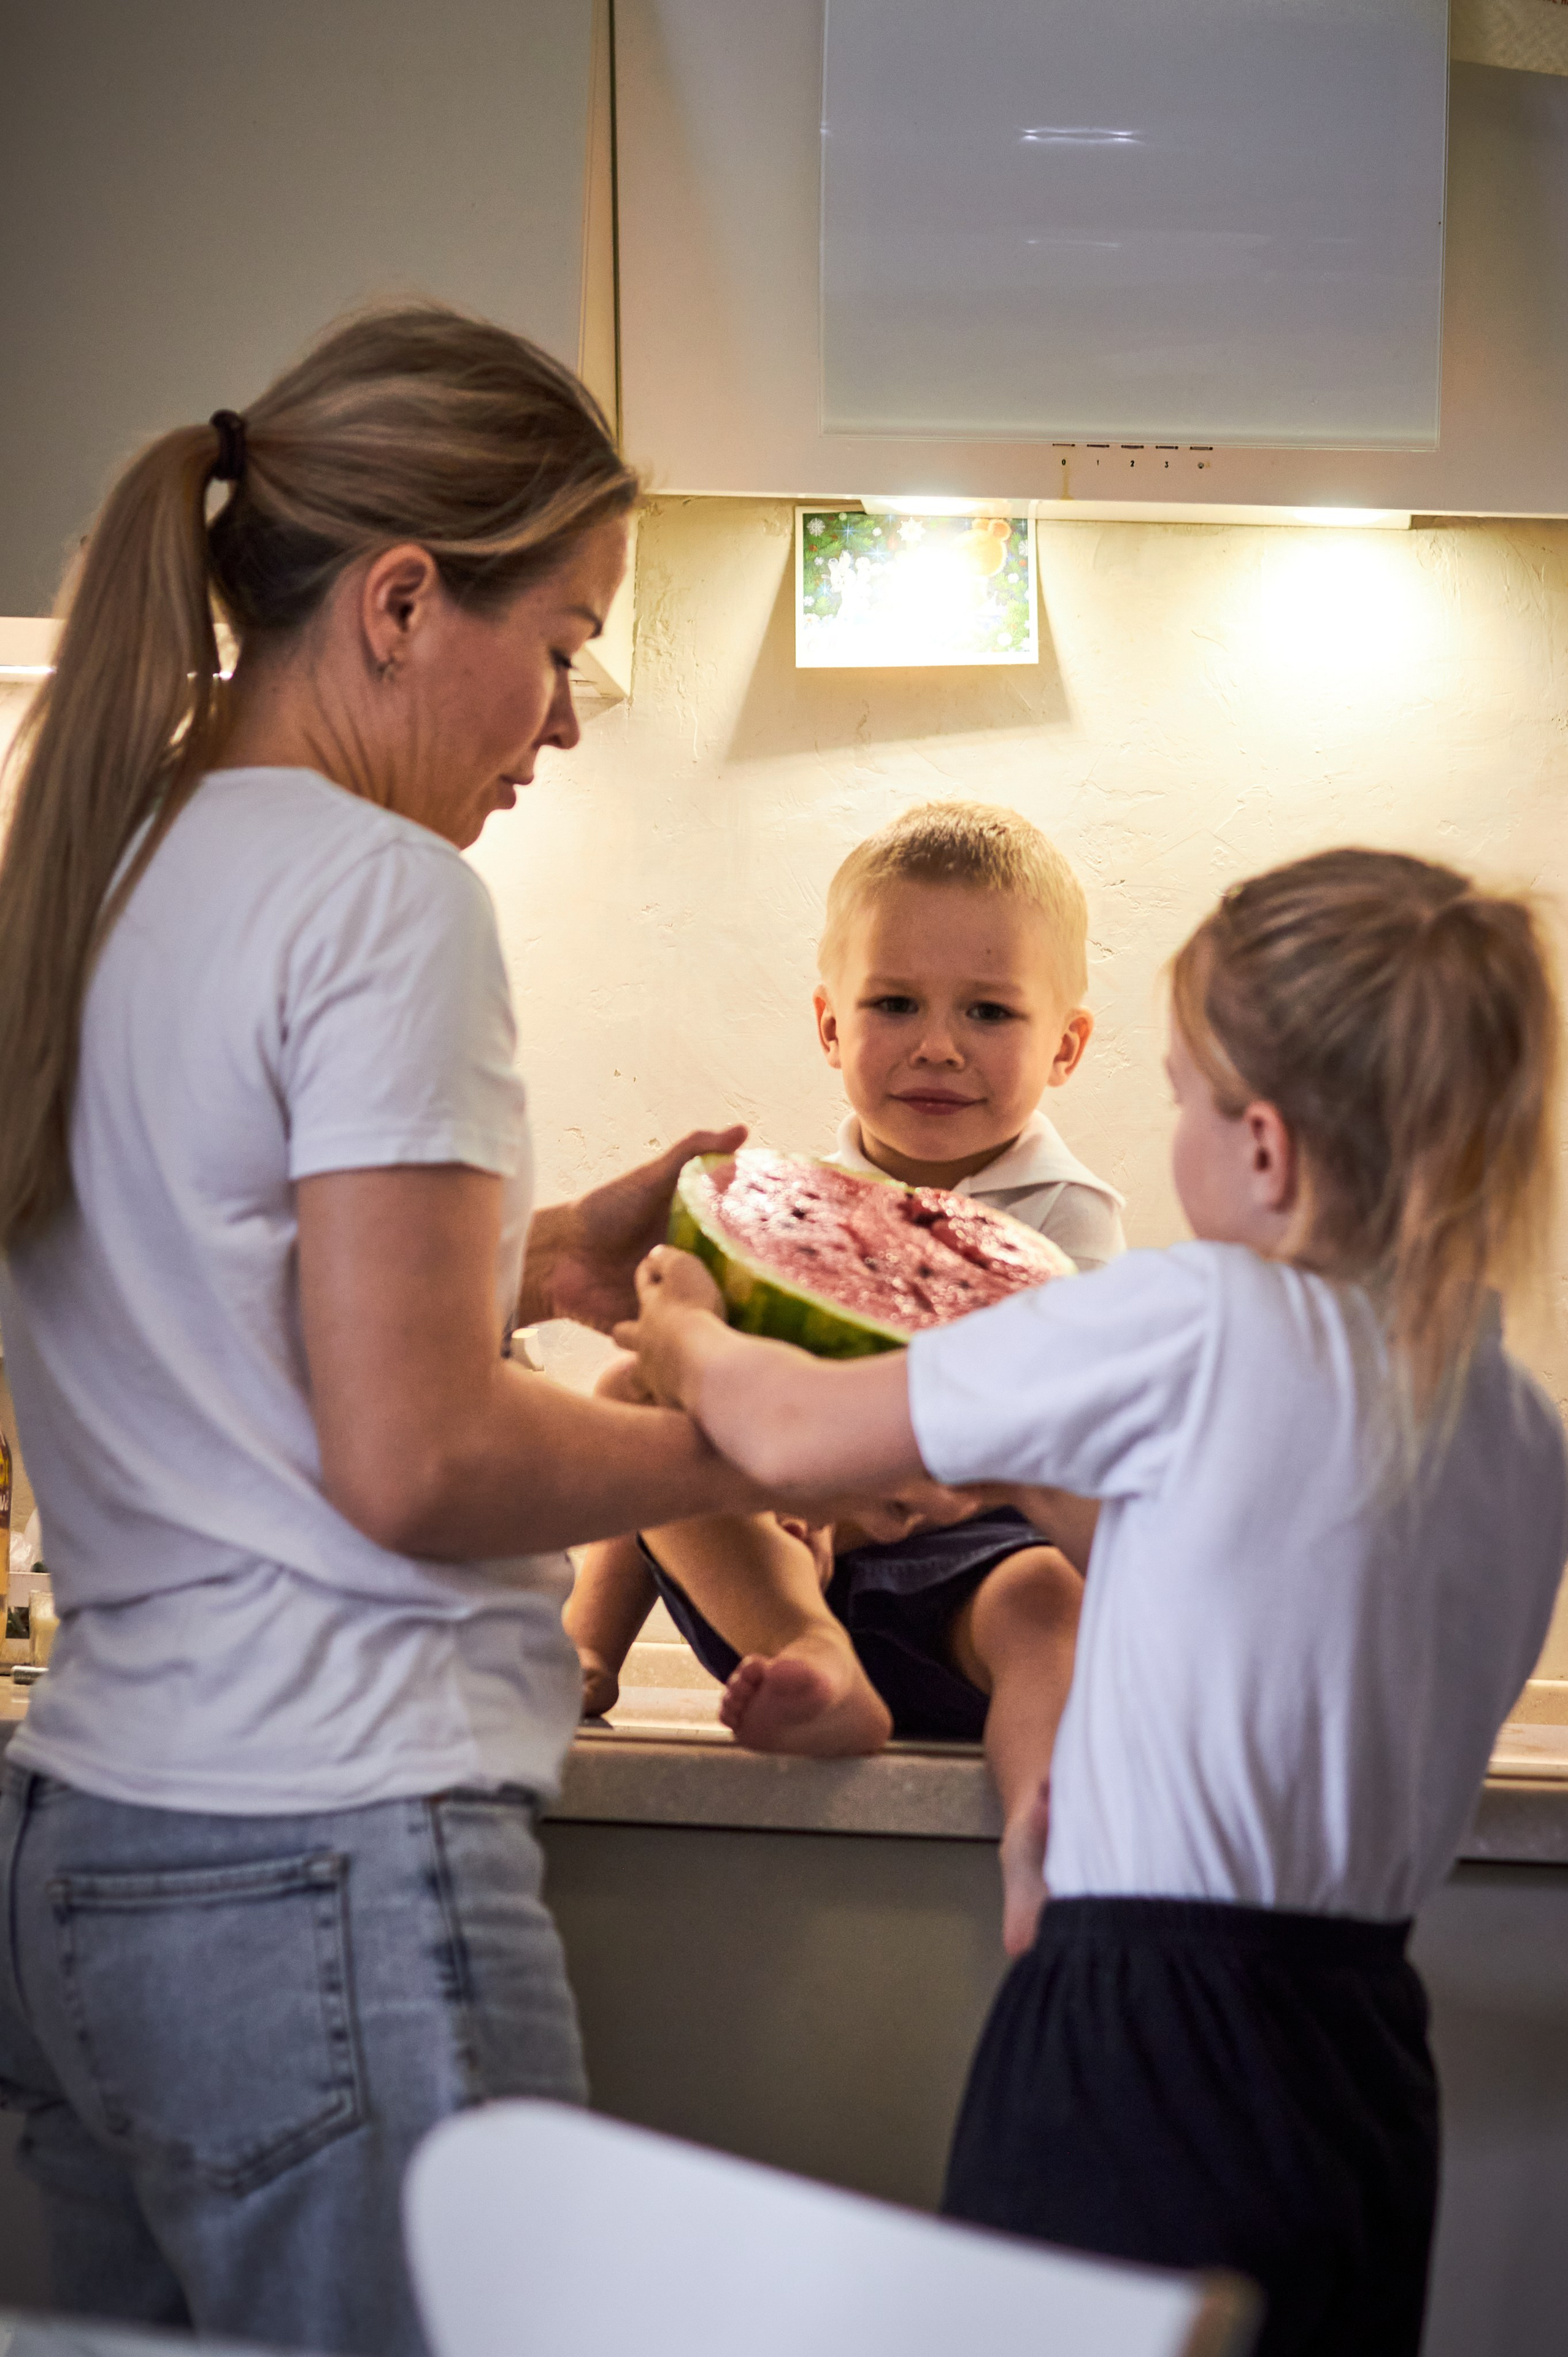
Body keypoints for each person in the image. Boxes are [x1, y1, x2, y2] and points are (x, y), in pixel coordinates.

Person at [0, 306, 897, 2357]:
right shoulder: (389, 897)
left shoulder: (107, 856)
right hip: (322, 1851)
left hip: (89, 1864)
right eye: (566, 644)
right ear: (405, 601)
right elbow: (417, 1467)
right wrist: (794, 1426)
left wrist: (540, 1260)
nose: (565, 718)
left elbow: (196, 1290)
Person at [615, 846, 1568, 2357]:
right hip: (1364, 2052)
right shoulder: (1515, 1429)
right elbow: (1232, 1578)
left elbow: (792, 1430)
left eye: (1185, 1098)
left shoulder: (1186, 1313)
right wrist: (1017, 1490)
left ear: (1261, 1144)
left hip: (1137, 2024)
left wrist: (681, 1329)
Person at [567, 806, 1123, 1905]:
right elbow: (743, 1408)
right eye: (894, 1003)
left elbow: (1056, 1448)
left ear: (1066, 1043)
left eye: (990, 1010)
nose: (938, 1044)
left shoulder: (1073, 1220)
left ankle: (1049, 1834)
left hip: (979, 1573)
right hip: (791, 1596)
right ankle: (599, 1651)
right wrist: (797, 1498)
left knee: (1051, 1599)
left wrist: (864, 1486)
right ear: (829, 1024)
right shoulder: (789, 1206)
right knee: (637, 1392)